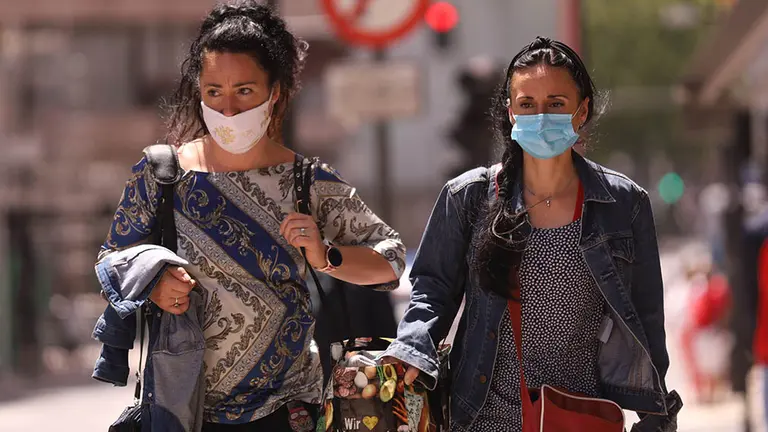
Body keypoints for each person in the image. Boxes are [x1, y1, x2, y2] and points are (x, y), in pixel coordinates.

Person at [97, 2, 405, 430]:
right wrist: (151, 283)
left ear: (274, 92)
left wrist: (326, 256)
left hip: (288, 410)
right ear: (198, 91)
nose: (228, 110)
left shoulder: (306, 180)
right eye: (213, 92)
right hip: (184, 410)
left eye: (244, 91)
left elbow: (390, 260)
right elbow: (113, 258)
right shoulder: (162, 174)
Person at [383, 37, 681, 431]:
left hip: (582, 419)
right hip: (482, 419)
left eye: (556, 104)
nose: (541, 117)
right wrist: (411, 349)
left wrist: (656, 417)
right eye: (527, 105)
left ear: (582, 110)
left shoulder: (623, 204)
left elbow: (645, 321)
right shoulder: (469, 197)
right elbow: (431, 290)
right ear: (510, 113)